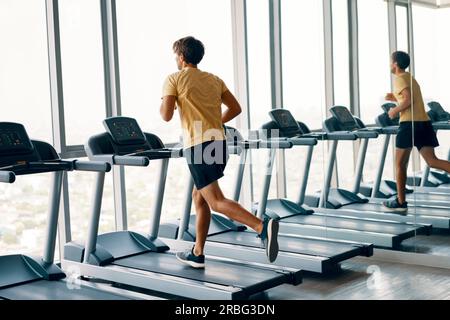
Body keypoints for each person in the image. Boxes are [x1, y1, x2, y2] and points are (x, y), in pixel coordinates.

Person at [160, 36, 279, 268]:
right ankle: (198, 251)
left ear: (182, 57)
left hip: (198, 145)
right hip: (219, 143)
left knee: (215, 201)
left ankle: (262, 228)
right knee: (200, 196)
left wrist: (166, 101)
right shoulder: (214, 79)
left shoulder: (173, 79)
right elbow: (236, 108)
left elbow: (165, 116)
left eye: (176, 55)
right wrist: (216, 123)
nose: (176, 59)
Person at [383, 51, 450, 214]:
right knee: (433, 161)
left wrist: (394, 111)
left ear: (395, 64)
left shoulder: (399, 79)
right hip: (424, 123)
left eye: (391, 62)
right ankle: (400, 200)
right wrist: (395, 98)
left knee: (400, 164)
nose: (390, 64)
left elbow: (408, 100)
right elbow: (410, 98)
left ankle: (400, 202)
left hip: (408, 124)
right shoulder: (409, 78)